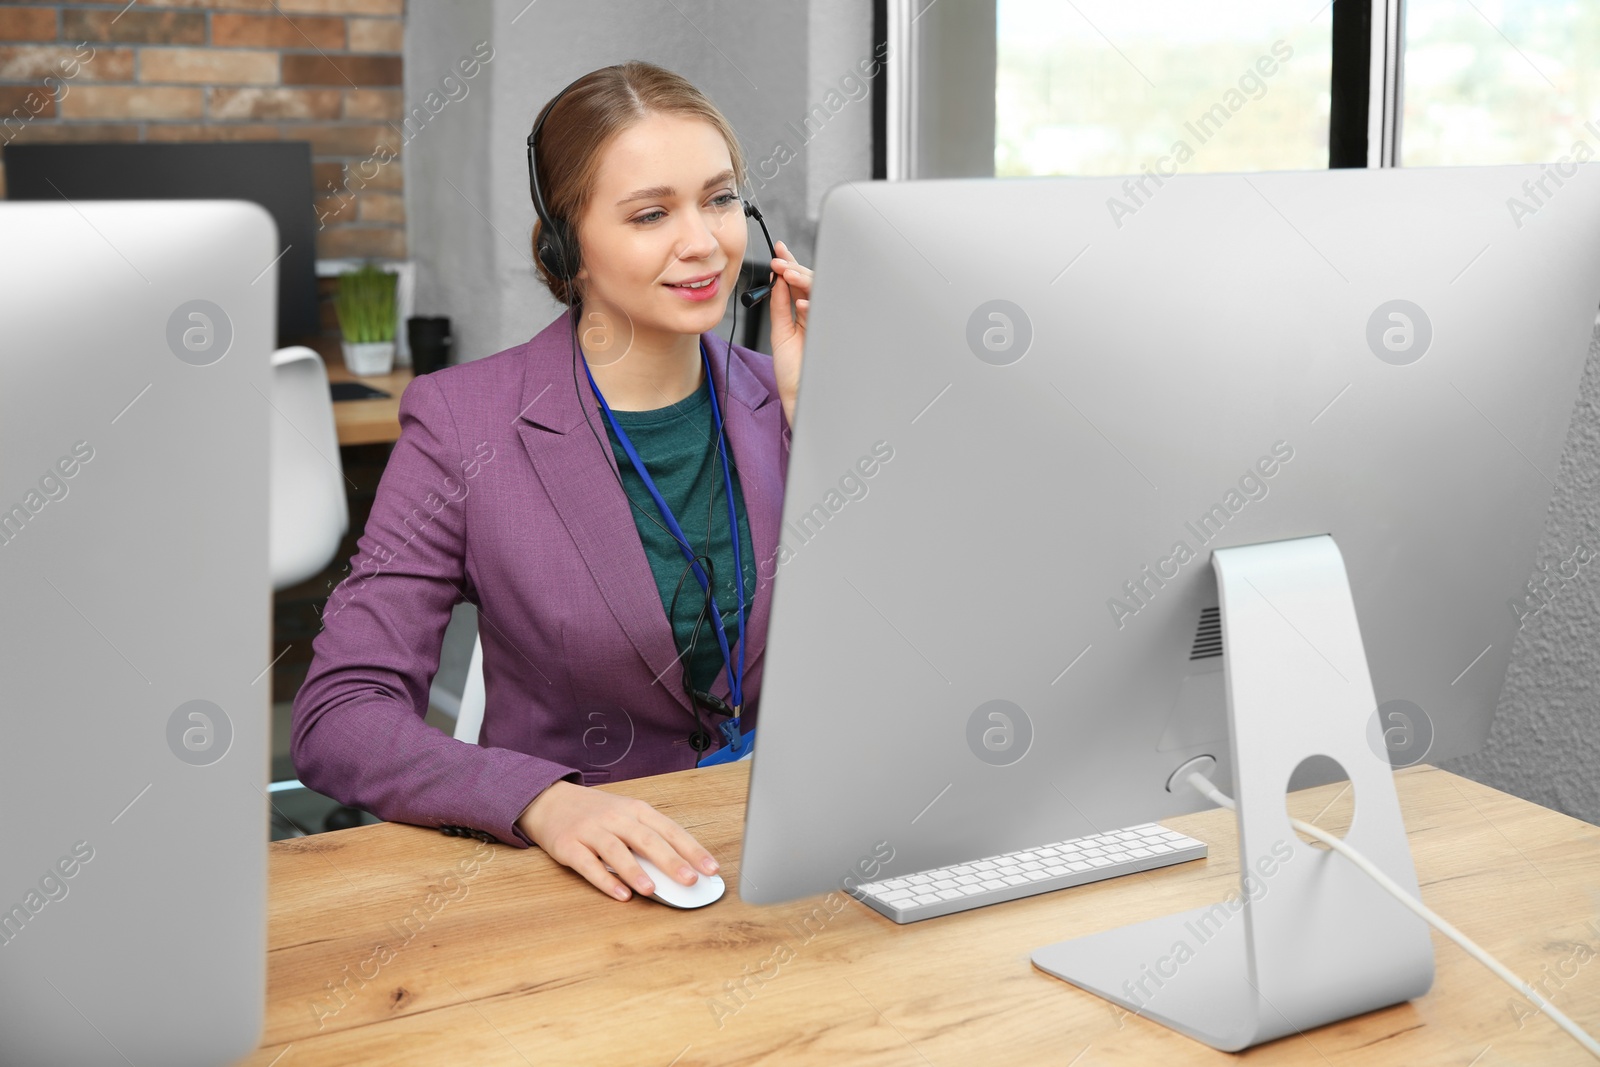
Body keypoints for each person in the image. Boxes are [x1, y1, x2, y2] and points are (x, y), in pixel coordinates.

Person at [291, 60, 813, 904]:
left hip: (787, 856)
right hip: (586, 889)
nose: (703, 241)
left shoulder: (788, 395)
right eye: (651, 213)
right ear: (567, 244)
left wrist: (811, 414)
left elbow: (919, 644)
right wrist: (537, 800)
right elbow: (340, 713)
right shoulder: (465, 424)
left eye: (719, 199)